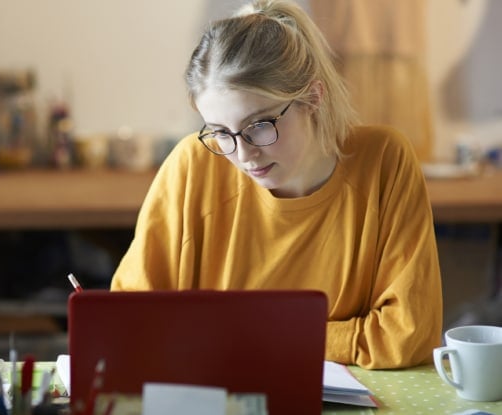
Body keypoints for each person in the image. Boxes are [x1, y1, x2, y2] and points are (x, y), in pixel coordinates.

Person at [110, 0, 442, 369]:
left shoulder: (385, 160)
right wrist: (331, 336)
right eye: (221, 132)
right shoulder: (193, 165)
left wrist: (244, 334)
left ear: (312, 98)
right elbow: (129, 319)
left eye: (259, 125)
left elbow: (407, 336)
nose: (244, 155)